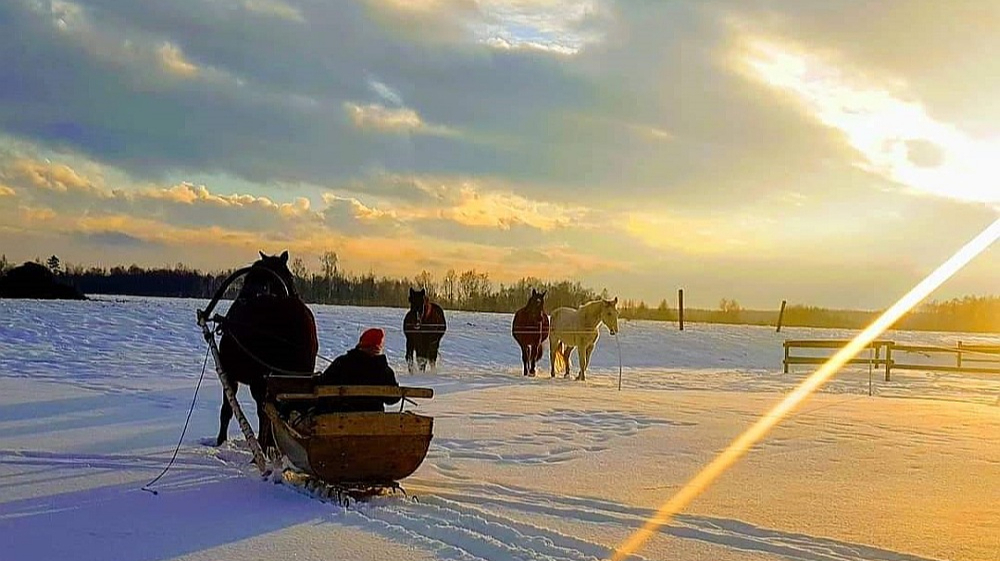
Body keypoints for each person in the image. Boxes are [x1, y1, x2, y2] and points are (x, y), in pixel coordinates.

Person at [317, 328, 400, 412]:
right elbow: (393, 398)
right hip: (374, 418)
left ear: (361, 344)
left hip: (341, 416)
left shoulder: (342, 363)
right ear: (379, 348)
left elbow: (323, 383)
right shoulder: (384, 370)